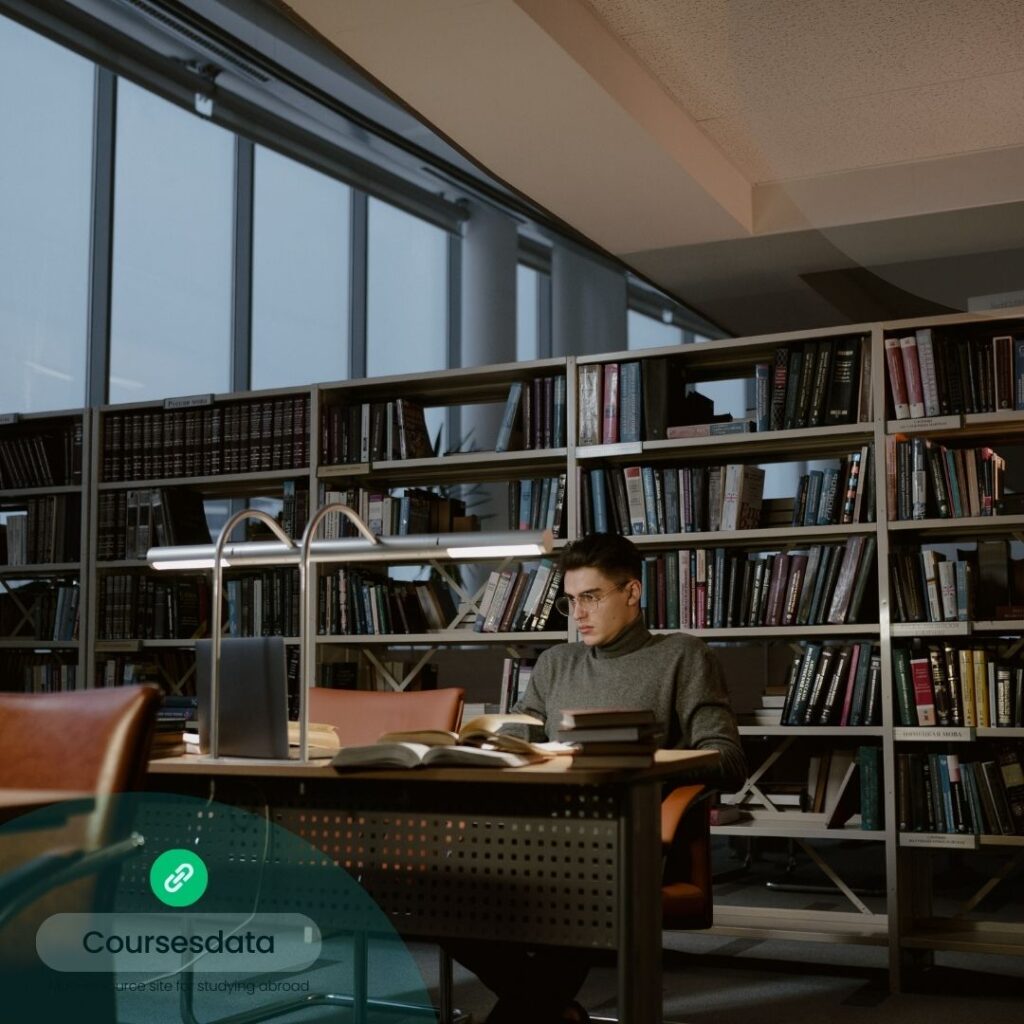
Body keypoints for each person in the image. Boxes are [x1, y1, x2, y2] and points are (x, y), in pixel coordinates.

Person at [451, 532, 747, 1023]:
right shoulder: (554, 663)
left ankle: (529, 1010)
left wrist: (644, 759)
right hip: (536, 832)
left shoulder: (683, 656)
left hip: (627, 838)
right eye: (571, 601)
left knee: (574, 882)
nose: (579, 614)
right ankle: (545, 1008)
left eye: (591, 597)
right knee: (434, 884)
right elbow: (520, 741)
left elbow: (729, 759)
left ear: (632, 592)